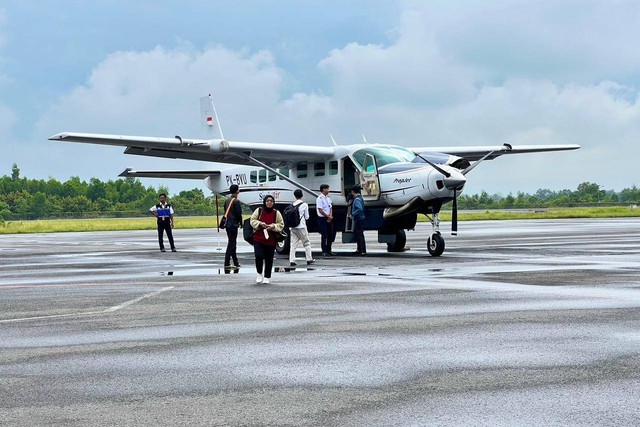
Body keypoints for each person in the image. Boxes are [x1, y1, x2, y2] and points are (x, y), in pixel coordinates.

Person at [249, 195, 284, 284]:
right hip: (258, 237)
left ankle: (267, 276)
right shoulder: (259, 210)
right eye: (267, 201)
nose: (269, 203)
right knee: (258, 255)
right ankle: (259, 273)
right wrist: (260, 223)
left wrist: (273, 226)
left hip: (270, 239)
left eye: (271, 201)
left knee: (269, 258)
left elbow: (281, 224)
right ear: (264, 202)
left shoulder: (277, 213)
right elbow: (252, 220)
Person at [289, 189, 315, 267]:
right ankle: (309, 259)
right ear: (302, 195)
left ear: (295, 196)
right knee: (306, 243)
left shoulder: (292, 205)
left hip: (293, 227)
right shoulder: (304, 205)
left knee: (293, 244)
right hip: (301, 226)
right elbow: (307, 217)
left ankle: (292, 260)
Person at [223, 184, 243, 269]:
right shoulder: (236, 201)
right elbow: (239, 214)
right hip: (233, 225)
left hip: (228, 224)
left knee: (232, 243)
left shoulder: (227, 201)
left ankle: (235, 262)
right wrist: (241, 223)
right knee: (232, 244)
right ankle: (227, 262)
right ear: (237, 191)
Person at [316, 184, 336, 256]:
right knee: (324, 234)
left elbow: (330, 207)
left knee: (330, 234)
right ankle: (324, 251)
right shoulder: (319, 198)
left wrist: (330, 216)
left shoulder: (328, 198)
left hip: (328, 217)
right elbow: (320, 210)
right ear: (323, 189)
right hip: (322, 218)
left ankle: (329, 249)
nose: (328, 190)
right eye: (327, 189)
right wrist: (327, 216)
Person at [350, 185, 366, 256]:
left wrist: (352, 214)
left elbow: (359, 209)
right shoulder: (360, 198)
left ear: (353, 192)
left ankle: (362, 251)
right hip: (361, 218)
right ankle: (359, 249)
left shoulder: (356, 200)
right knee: (359, 235)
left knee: (360, 235)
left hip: (358, 219)